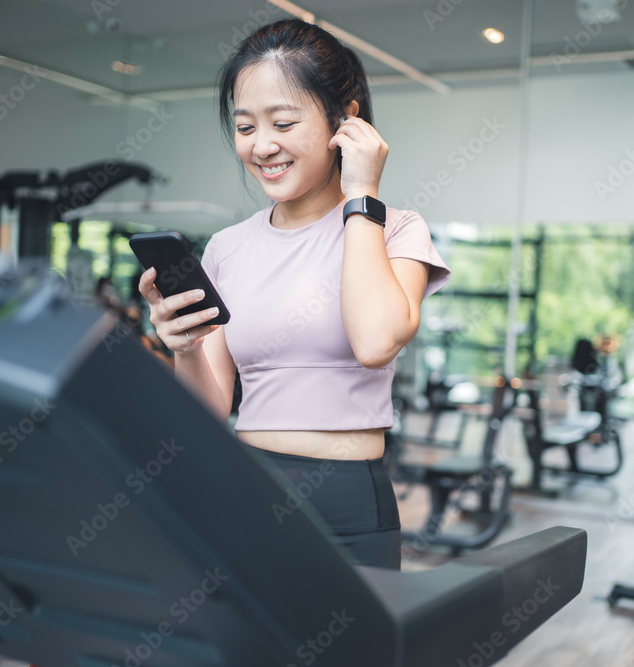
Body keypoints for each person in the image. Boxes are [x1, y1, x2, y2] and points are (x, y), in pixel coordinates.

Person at [139, 19, 450, 570]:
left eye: (283, 122)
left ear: (345, 120)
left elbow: (376, 342)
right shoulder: (227, 248)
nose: (262, 146)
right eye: (245, 127)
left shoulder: (396, 230)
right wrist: (183, 347)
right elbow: (210, 411)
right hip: (246, 490)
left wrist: (362, 195)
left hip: (351, 503)